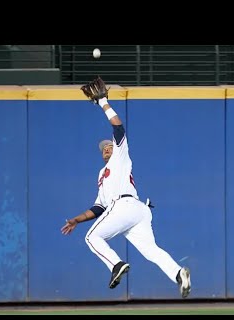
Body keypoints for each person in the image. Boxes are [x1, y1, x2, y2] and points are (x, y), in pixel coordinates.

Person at [60, 76, 191, 298]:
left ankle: (116, 265)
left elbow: (118, 128)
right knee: (150, 250)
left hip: (126, 205)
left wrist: (103, 103)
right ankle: (179, 274)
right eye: (103, 149)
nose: (106, 149)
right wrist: (76, 220)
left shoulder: (120, 156)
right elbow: (99, 208)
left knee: (92, 238)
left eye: (109, 146)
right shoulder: (102, 174)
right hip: (135, 212)